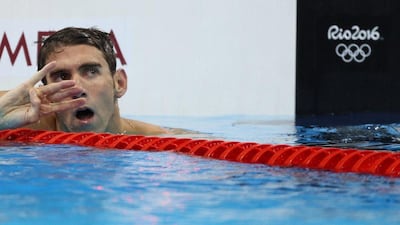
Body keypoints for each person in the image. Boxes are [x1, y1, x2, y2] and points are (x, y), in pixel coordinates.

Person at [0, 27, 171, 135]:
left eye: (91, 71)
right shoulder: (23, 127)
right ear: (47, 93)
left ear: (119, 83)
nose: (78, 89)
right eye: (62, 76)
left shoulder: (158, 138)